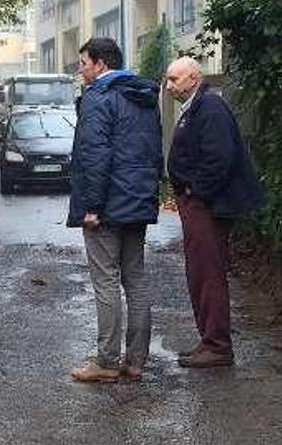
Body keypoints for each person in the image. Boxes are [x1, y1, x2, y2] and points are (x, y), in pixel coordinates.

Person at [66, 37, 164, 383]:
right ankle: (136, 361)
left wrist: (91, 207)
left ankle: (106, 362)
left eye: (83, 64)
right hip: (137, 203)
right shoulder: (145, 96)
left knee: (105, 281)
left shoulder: (99, 97)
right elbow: (155, 151)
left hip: (106, 206)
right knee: (135, 280)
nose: (80, 70)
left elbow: (94, 155)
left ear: (100, 64)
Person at [164, 57, 264, 368]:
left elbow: (219, 157)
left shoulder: (209, 108)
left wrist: (196, 193)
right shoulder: (197, 107)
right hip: (201, 204)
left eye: (174, 79)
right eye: (168, 80)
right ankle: (209, 340)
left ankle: (217, 345)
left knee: (207, 274)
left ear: (193, 78)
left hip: (208, 206)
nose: (168, 87)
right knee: (200, 273)